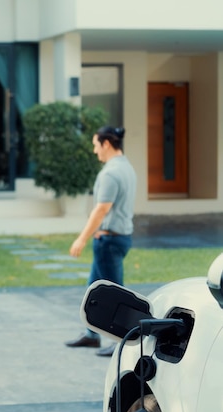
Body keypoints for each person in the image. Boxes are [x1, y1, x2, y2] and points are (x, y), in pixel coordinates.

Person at [65, 126, 136, 356]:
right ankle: (91, 334)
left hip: (109, 242)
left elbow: (102, 209)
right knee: (93, 289)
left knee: (116, 295)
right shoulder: (127, 168)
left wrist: (81, 238)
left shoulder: (110, 173)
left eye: (96, 145)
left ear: (106, 144)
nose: (95, 151)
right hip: (119, 238)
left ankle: (121, 342)